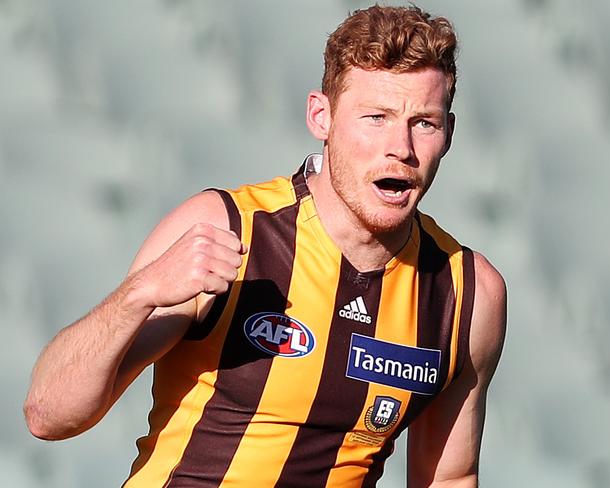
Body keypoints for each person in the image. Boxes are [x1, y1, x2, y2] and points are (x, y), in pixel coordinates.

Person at [24, 4, 506, 487]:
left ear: (449, 133)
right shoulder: (227, 230)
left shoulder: (466, 293)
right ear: (322, 117)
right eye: (376, 117)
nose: (400, 148)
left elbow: (449, 477)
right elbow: (49, 415)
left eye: (424, 122)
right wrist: (138, 294)